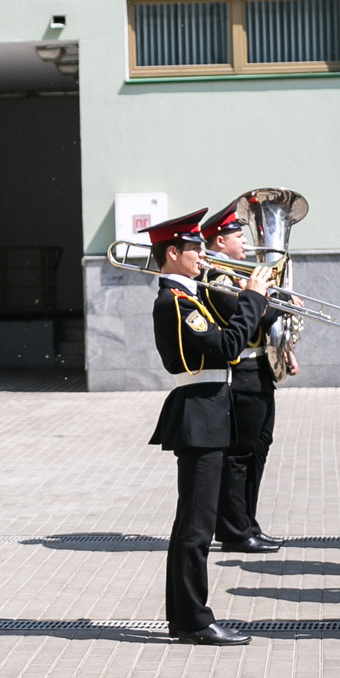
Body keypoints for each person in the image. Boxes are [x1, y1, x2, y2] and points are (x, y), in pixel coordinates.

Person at [145, 208, 267, 645]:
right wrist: (252, 298)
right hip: (199, 411)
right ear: (172, 253)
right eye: (193, 248)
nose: (201, 254)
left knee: (191, 526)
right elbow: (230, 346)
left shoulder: (190, 296)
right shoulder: (174, 303)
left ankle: (184, 618)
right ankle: (195, 621)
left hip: (207, 409)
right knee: (196, 528)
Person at [203, 197, 289, 553]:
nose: (244, 239)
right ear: (220, 241)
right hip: (241, 373)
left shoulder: (239, 276)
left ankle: (247, 522)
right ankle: (235, 531)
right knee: (239, 455)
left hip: (260, 370)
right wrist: (273, 303)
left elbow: (260, 311)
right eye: (237, 234)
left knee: (257, 450)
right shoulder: (217, 276)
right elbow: (251, 314)